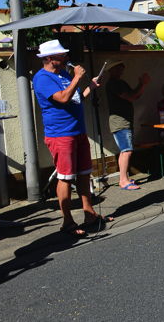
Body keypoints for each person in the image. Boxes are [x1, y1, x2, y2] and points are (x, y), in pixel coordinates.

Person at [32, 39, 113, 236]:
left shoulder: (62, 74)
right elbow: (62, 98)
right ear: (50, 58)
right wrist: (77, 78)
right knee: (66, 178)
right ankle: (67, 221)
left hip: (78, 131)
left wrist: (90, 87)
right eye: (63, 55)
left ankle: (89, 214)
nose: (67, 57)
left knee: (84, 174)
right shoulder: (42, 78)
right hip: (61, 135)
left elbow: (76, 99)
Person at [105, 61, 151, 190]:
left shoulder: (121, 83)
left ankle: (124, 178)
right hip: (119, 122)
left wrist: (141, 84)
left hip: (125, 121)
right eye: (118, 68)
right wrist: (143, 84)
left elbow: (135, 95)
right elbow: (131, 97)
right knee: (127, 151)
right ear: (111, 70)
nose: (121, 71)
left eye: (121, 68)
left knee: (125, 151)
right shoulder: (113, 84)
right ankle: (123, 181)